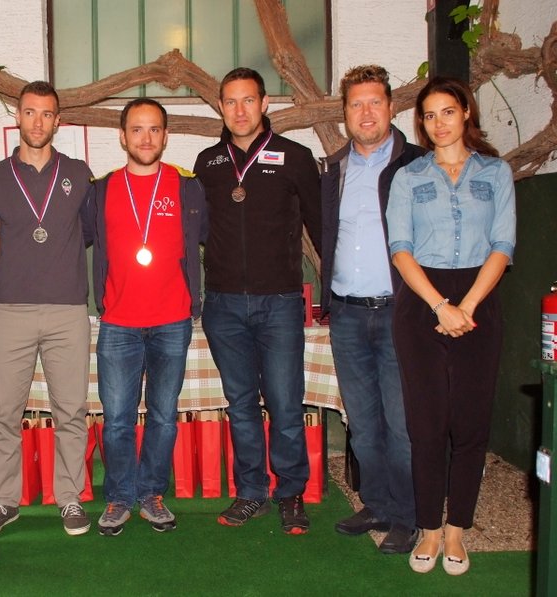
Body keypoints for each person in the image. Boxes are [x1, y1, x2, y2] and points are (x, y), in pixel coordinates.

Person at [387, 76, 516, 575]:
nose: (438, 123)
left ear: (465, 112)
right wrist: (442, 306)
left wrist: (468, 307)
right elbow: (400, 249)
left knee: (470, 424)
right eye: (429, 115)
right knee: (426, 425)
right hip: (423, 301)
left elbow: (503, 245)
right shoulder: (408, 177)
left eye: (447, 111)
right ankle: (429, 528)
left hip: (480, 296)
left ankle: (458, 528)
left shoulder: (496, 172)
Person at [193, 67, 321, 534]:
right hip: (223, 305)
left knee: (285, 403)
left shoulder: (296, 157)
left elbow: (320, 226)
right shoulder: (207, 163)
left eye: (249, 100)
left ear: (265, 104)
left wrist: (333, 287)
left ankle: (291, 493)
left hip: (279, 302)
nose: (240, 110)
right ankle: (251, 492)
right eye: (231, 101)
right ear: (220, 107)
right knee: (241, 404)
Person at [0, 81, 94, 537]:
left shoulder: (79, 174)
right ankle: (5, 501)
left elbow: (89, 234)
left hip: (68, 309)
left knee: (71, 409)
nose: (38, 122)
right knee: (4, 410)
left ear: (57, 121)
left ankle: (69, 497)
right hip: (11, 309)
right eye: (30, 112)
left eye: (47, 114)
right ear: (18, 117)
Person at [88, 98, 207, 536]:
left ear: (165, 136)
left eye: (154, 129)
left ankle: (152, 494)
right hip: (118, 322)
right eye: (136, 129)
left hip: (172, 321)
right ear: (122, 136)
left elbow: (205, 237)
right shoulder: (100, 190)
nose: (146, 137)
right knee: (117, 418)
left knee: (162, 416)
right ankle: (119, 497)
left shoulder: (187, 187)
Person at [320, 65, 425, 554]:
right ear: (344, 112)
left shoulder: (418, 164)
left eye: (375, 102)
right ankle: (377, 503)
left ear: (391, 108)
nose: (366, 113)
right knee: (361, 423)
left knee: (402, 424)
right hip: (346, 314)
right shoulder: (334, 168)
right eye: (356, 104)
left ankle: (408, 515)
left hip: (400, 313)